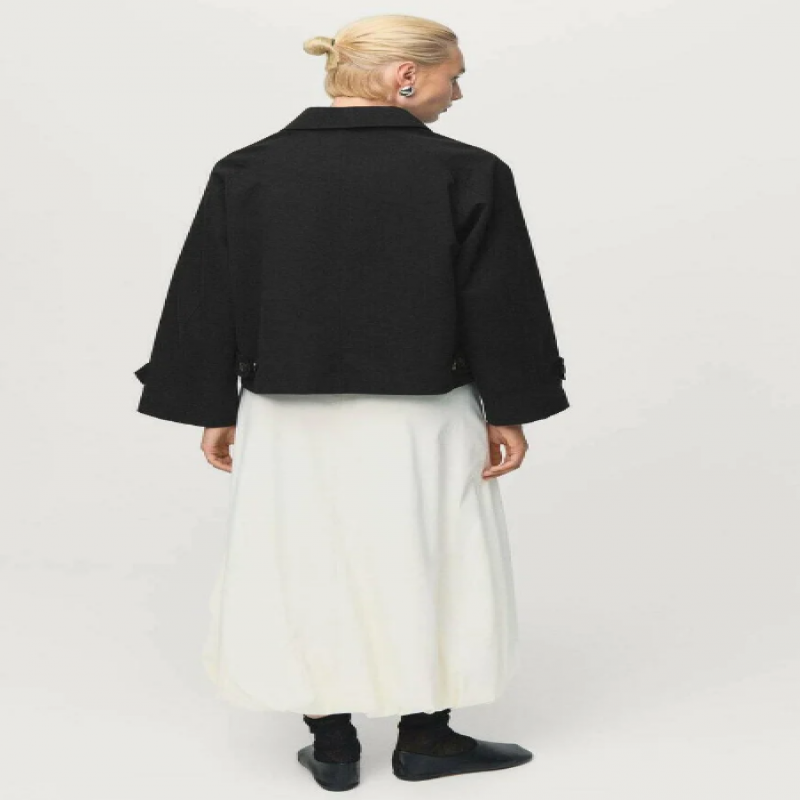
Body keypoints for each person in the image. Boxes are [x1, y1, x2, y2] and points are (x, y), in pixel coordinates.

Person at [133, 13, 569, 791]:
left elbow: (208, 294)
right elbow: (499, 302)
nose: (457, 94)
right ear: (405, 76)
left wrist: (213, 405)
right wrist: (511, 405)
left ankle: (332, 746)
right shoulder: (467, 172)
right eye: (452, 77)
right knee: (429, 561)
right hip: (423, 413)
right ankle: (426, 738)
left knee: (303, 561)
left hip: (285, 415)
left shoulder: (248, 170)